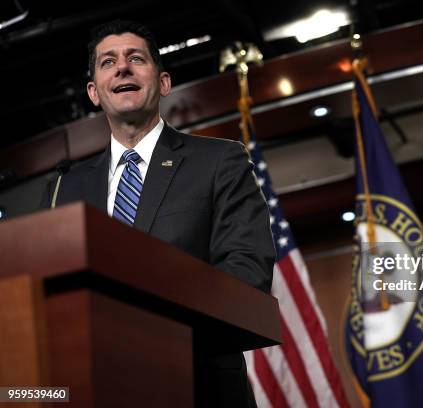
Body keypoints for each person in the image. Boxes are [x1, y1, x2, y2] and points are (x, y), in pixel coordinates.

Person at [41, 20, 275, 406]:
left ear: (163, 83)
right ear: (94, 93)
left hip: (201, 388)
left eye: (136, 58)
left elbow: (247, 272)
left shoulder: (219, 161)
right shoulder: (64, 188)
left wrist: (146, 323)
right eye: (107, 62)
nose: (122, 68)